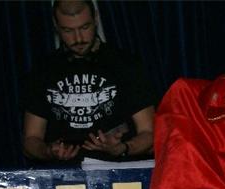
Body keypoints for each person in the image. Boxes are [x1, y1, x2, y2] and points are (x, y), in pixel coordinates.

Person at [20, 0, 156, 164]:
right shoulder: (44, 70)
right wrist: (48, 151)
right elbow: (30, 140)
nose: (78, 39)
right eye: (68, 30)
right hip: (63, 173)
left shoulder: (126, 65)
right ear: (56, 26)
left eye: (85, 27)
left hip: (118, 169)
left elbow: (150, 133)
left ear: (96, 18)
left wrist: (123, 148)